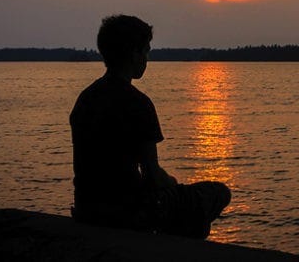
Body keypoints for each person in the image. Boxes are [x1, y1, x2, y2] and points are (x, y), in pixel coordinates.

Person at [70, 15, 231, 239]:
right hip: (126, 212)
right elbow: (152, 175)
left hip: (87, 209)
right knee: (218, 193)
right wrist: (173, 185)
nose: (146, 59)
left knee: (186, 208)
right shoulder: (137, 103)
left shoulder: (85, 99)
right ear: (133, 53)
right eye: (145, 51)